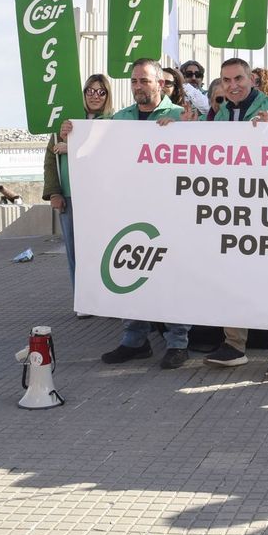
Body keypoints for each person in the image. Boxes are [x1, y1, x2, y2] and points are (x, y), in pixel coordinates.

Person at [203, 58, 268, 370]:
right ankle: (233, 344)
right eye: (226, 80)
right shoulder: (219, 114)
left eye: (238, 78)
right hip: (232, 210)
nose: (232, 86)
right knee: (233, 277)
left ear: (252, 79)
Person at [100, 59, 193, 370]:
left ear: (160, 84)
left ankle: (178, 342)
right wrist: (73, 132)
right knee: (133, 272)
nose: (138, 86)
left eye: (144, 81)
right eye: (134, 81)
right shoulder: (120, 118)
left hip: (172, 212)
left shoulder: (180, 116)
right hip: (132, 209)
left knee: (174, 278)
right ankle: (134, 340)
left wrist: (184, 130)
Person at [43, 73, 112, 303]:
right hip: (71, 195)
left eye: (100, 91)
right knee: (74, 250)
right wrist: (54, 192)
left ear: (107, 95)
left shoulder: (114, 122)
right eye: (90, 91)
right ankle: (82, 299)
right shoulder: (66, 123)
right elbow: (50, 159)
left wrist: (71, 147)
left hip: (100, 197)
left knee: (101, 248)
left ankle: (105, 298)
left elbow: (105, 154)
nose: (95, 96)